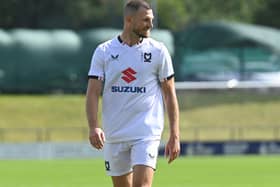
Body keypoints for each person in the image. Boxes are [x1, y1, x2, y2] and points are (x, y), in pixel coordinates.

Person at [86, 0, 180, 186]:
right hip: (115, 132)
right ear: (129, 20)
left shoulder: (158, 51)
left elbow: (169, 94)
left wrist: (174, 135)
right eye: (145, 20)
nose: (150, 24)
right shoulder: (104, 51)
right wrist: (93, 126)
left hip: (146, 132)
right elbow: (92, 93)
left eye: (151, 19)